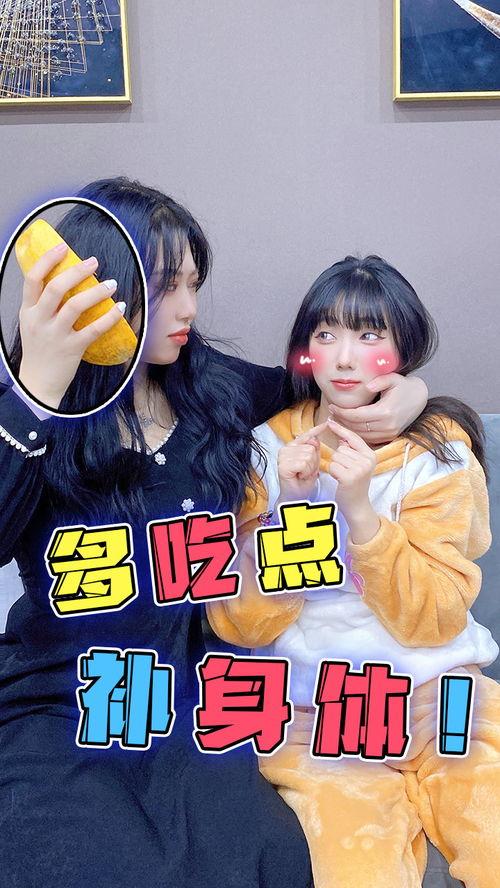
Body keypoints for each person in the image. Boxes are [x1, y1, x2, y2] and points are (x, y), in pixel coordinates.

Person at [0, 180, 425, 888]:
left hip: (195, 694)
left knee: (267, 860)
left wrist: (410, 392)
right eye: (167, 286)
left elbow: (323, 388)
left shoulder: (212, 388)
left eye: (194, 284)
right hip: (63, 695)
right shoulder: (30, 411)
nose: (189, 309)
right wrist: (37, 391)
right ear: (100, 287)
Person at [207, 254, 500, 888]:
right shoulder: (265, 451)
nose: (344, 358)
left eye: (369, 336)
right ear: (305, 350)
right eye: (326, 334)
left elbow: (435, 616)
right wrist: (294, 511)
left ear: (402, 352)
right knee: (355, 867)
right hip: (319, 713)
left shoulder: (437, 451)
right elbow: (240, 624)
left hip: (443, 696)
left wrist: (361, 512)